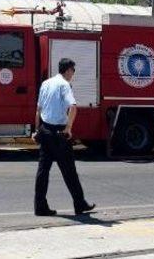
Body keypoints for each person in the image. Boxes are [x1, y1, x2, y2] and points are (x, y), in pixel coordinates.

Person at [33, 58, 95, 216]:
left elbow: (38, 109)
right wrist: (68, 128)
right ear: (67, 70)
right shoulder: (64, 85)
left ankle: (40, 206)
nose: (73, 74)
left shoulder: (46, 83)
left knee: (43, 171)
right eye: (73, 71)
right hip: (59, 133)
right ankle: (79, 204)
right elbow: (73, 108)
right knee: (69, 171)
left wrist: (36, 130)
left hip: (45, 130)